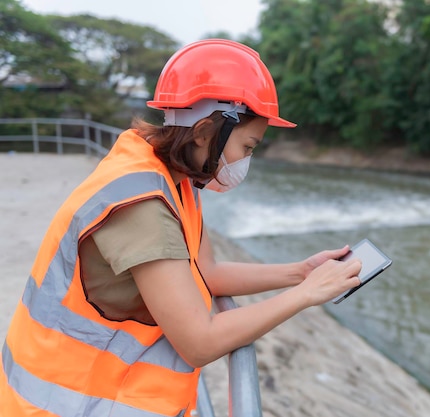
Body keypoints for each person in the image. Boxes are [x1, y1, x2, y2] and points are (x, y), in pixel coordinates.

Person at [0, 39, 362, 417]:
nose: (245, 162)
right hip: (67, 404)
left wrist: (300, 272)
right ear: (206, 132)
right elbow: (199, 342)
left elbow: (208, 274)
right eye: (248, 147)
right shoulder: (141, 206)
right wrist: (306, 294)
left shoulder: (176, 180)